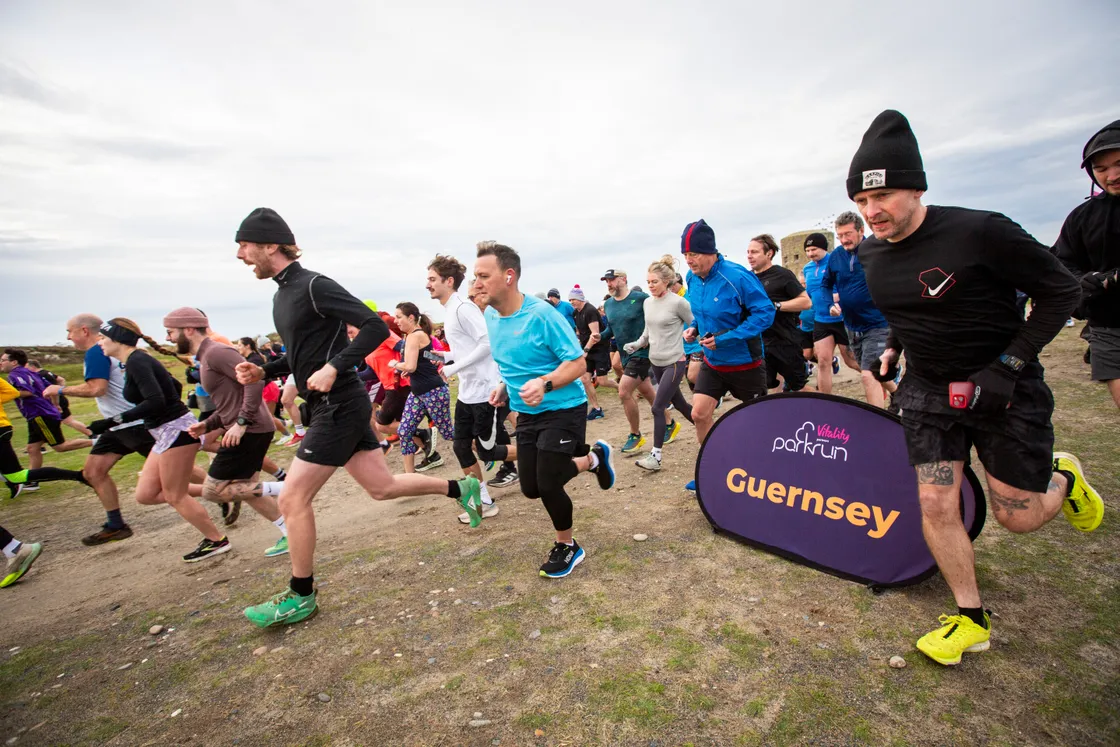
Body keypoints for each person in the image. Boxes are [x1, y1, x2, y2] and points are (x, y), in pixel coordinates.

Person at [848, 109, 1100, 666]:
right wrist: (892, 349)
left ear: (916, 188)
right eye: (862, 202)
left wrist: (1007, 365)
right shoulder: (869, 253)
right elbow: (907, 310)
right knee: (936, 502)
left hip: (1005, 389)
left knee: (1020, 517)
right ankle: (970, 619)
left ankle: (1062, 478)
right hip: (929, 392)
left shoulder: (981, 230)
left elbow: (1062, 292)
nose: (871, 212)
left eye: (882, 196)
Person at [232, 207, 481, 626]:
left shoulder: (313, 285)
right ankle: (463, 488)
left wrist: (335, 367)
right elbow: (302, 357)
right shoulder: (281, 294)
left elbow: (373, 328)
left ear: (270, 245)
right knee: (381, 487)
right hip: (331, 405)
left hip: (340, 406)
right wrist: (267, 370)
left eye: (244, 245)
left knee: (293, 498)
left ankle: (301, 595)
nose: (240, 255)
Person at [472, 240, 615, 578]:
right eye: (475, 276)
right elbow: (513, 361)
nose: (476, 284)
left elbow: (578, 364)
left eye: (483, 276)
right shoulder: (491, 315)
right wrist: (504, 386)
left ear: (509, 276)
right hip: (527, 412)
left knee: (549, 483)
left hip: (564, 407)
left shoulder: (542, 315)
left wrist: (545, 384)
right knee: (531, 488)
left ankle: (567, 545)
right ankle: (593, 459)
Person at [89, 318, 233, 562]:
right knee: (145, 494)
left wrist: (113, 421)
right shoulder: (132, 362)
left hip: (176, 430)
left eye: (103, 338)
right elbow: (173, 385)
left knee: (175, 495)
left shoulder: (137, 361)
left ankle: (216, 540)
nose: (99, 342)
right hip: (163, 432)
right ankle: (226, 492)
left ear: (117, 339)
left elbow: (155, 400)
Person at [156, 308, 289, 558]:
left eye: (170, 332)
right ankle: (290, 532)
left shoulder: (217, 352)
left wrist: (241, 422)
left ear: (188, 329)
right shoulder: (206, 356)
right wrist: (207, 424)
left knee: (213, 491)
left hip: (250, 429)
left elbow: (254, 380)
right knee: (244, 488)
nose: (168, 338)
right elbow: (230, 399)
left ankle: (289, 487)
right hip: (245, 427)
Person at [40, 314, 155, 543]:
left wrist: (59, 390)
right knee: (93, 472)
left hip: (133, 424)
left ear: (84, 330)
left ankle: (221, 488)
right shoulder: (110, 349)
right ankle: (116, 525)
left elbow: (97, 389)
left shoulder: (96, 352)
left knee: (175, 469)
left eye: (69, 331)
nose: (68, 337)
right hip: (117, 426)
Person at [680, 219, 775, 490]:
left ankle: (764, 475)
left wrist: (727, 338)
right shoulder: (691, 278)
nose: (689, 260)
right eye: (686, 255)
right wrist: (693, 328)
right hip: (713, 362)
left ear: (711, 251)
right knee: (699, 413)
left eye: (694, 254)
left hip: (745, 363)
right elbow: (701, 313)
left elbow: (765, 313)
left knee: (757, 424)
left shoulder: (738, 276)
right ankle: (713, 468)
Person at [427, 254, 516, 523]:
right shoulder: (450, 310)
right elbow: (469, 348)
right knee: (461, 447)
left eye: (432, 279)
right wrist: (447, 357)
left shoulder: (462, 308)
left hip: (485, 392)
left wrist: (452, 368)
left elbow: (487, 343)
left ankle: (543, 451)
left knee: (487, 451)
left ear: (448, 281)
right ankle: (484, 501)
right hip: (467, 393)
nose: (428, 284)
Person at [1053, 119, 1120, 410]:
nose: (1112, 175)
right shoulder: (1083, 217)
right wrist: (1084, 282)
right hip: (1108, 327)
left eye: (1119, 164)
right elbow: (1061, 263)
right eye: (1101, 169)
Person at [624, 257, 695, 471]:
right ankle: (711, 429)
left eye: (654, 281)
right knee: (682, 405)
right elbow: (647, 333)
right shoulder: (648, 302)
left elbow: (696, 325)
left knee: (657, 407)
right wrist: (636, 345)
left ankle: (655, 456)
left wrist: (698, 344)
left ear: (666, 281)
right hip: (656, 362)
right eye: (648, 282)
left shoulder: (678, 303)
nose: (650, 285)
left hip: (675, 362)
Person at [821, 212, 897, 408]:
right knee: (873, 369)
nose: (844, 240)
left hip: (878, 323)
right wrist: (830, 303)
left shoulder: (877, 248)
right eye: (840, 236)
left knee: (868, 374)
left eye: (848, 234)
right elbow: (826, 284)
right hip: (852, 325)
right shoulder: (836, 256)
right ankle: (899, 394)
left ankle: (876, 423)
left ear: (861, 230)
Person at [1, 349, 93, 485]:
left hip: (39, 413)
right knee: (32, 448)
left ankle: (98, 443)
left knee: (60, 447)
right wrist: (56, 404)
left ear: (14, 362)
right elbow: (51, 387)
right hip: (41, 413)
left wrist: (12, 394)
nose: (1, 363)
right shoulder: (31, 372)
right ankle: (32, 482)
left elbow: (28, 392)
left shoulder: (16, 375)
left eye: (3, 360)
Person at [391, 302, 455, 474]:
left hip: (433, 391)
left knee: (449, 434)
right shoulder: (409, 336)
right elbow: (420, 362)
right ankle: (409, 478)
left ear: (411, 318)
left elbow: (410, 365)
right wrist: (407, 370)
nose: (395, 321)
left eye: (399, 317)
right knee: (404, 431)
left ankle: (485, 452)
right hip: (418, 392)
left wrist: (397, 364)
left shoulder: (415, 335)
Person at [602, 269, 660, 453]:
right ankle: (670, 423)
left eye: (612, 280)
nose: (609, 284)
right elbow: (611, 330)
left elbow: (656, 316)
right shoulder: (609, 304)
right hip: (625, 354)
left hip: (642, 352)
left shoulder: (641, 298)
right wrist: (598, 337)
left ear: (623, 279)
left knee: (623, 390)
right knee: (648, 391)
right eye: (607, 281)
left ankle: (636, 435)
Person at [1, 375, 88, 499]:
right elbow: (12, 392)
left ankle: (80, 475)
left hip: (4, 427)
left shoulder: (18, 374)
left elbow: (14, 392)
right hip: (4, 426)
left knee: (17, 476)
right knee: (17, 472)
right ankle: (13, 484)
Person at [746, 234, 812, 393]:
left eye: (754, 252)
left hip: (785, 341)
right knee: (764, 387)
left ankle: (827, 408)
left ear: (769, 254)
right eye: (748, 252)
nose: (749, 256)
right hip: (761, 343)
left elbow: (806, 302)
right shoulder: (748, 278)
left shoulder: (782, 275)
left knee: (799, 387)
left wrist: (777, 305)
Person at [804, 233, 858, 394]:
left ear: (824, 248)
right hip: (820, 320)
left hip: (842, 319)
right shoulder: (807, 268)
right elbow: (809, 293)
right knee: (822, 361)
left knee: (851, 361)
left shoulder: (836, 262)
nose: (810, 253)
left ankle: (888, 383)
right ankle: (825, 403)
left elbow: (851, 287)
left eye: (814, 249)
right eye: (807, 250)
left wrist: (835, 298)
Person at [569, 286, 610, 420]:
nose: (572, 302)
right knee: (585, 379)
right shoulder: (576, 313)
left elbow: (595, 334)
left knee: (602, 381)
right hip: (586, 350)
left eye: (574, 299)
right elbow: (580, 332)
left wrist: (585, 350)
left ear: (580, 298)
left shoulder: (590, 310)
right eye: (570, 300)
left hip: (599, 349)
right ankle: (597, 408)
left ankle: (623, 389)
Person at [26, 360, 91, 436]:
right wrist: (61, 390)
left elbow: (52, 389)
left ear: (32, 366)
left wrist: (55, 402)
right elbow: (61, 379)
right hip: (60, 399)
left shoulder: (39, 375)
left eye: (27, 367)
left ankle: (92, 434)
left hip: (56, 401)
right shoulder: (47, 372)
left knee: (68, 421)